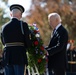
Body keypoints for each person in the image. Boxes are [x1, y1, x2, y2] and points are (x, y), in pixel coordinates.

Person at [1, 4, 31, 75]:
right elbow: (27, 41)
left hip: (7, 57)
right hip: (19, 56)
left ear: (11, 14)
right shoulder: (23, 25)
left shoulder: (3, 27)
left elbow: (3, 42)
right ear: (20, 15)